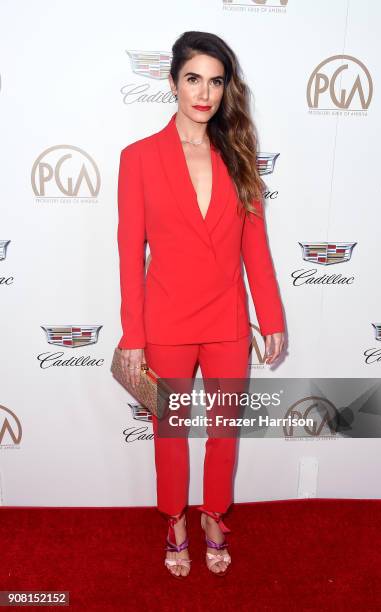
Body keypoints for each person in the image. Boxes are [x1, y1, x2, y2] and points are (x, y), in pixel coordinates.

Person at [116, 31, 286, 578]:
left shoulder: (238, 155)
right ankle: (174, 518)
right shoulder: (138, 158)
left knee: (224, 428)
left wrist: (272, 317)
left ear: (224, 88)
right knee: (170, 432)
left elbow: (254, 248)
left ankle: (212, 514)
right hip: (165, 323)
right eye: (194, 78)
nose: (204, 92)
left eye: (216, 80)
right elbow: (128, 255)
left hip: (228, 321)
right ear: (173, 82)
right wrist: (134, 335)